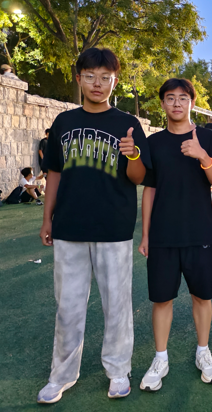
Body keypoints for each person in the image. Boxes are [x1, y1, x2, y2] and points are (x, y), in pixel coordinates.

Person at [37, 48, 151, 404]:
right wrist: (47, 217)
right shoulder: (63, 122)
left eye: (105, 77)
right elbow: (54, 173)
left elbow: (138, 177)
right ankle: (61, 375)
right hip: (69, 227)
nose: (97, 84)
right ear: (79, 79)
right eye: (90, 76)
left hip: (113, 228)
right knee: (68, 307)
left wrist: (133, 153)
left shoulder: (127, 124)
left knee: (117, 306)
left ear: (115, 81)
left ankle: (118, 371)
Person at [138, 78, 212, 391]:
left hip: (198, 231)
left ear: (191, 102)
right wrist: (146, 235)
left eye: (182, 98)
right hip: (163, 234)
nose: (176, 103)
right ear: (162, 103)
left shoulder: (207, 137)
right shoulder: (154, 142)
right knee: (161, 298)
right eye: (170, 98)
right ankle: (160, 358)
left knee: (202, 295)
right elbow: (149, 190)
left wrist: (203, 156)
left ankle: (203, 352)